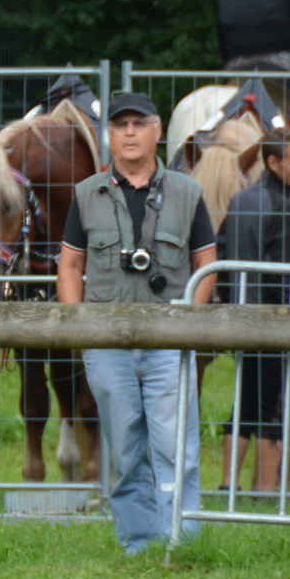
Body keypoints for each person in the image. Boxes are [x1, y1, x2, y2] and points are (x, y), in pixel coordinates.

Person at [58, 92, 217, 552]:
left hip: (169, 342)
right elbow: (69, 266)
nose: (129, 133)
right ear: (108, 134)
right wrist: (79, 329)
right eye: (120, 124)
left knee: (175, 448)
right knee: (125, 449)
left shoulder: (188, 193)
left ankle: (183, 541)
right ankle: (140, 543)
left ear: (158, 130)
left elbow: (206, 263)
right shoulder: (86, 194)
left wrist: (188, 319)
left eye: (138, 123)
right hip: (106, 344)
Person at [216, 126, 290, 492]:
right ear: (273, 162)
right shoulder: (284, 209)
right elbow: (283, 276)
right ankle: (267, 492)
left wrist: (230, 301)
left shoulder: (241, 199)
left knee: (244, 401)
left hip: (240, 317)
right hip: (273, 322)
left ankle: (228, 484)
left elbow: (221, 251)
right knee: (272, 407)